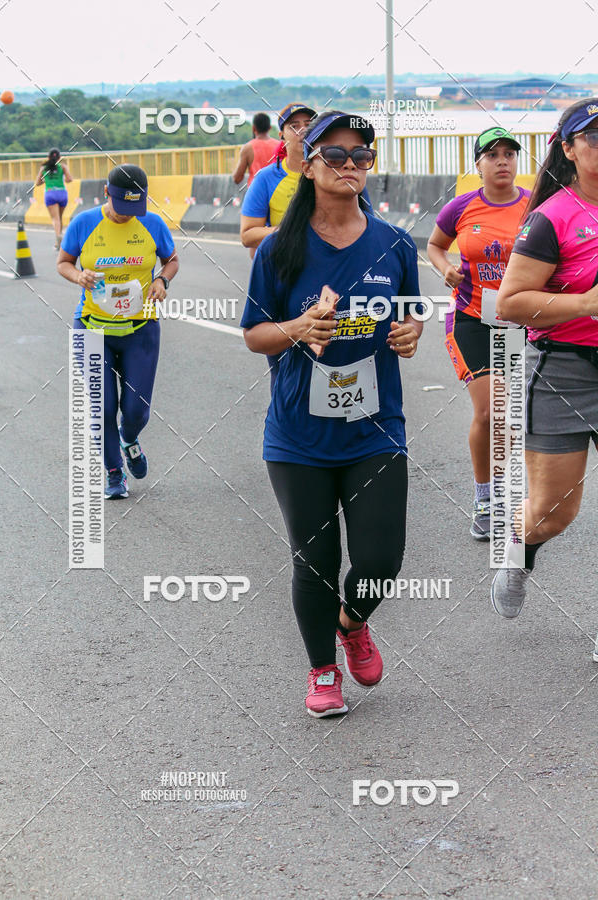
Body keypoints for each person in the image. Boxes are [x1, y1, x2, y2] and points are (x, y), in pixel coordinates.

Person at [241, 111, 423, 718]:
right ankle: (322, 670)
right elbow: (254, 335)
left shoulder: (394, 243)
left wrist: (409, 332)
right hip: (299, 435)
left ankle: (353, 622)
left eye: (361, 155)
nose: (351, 165)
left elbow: (410, 311)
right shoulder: (279, 249)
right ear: (309, 163)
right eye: (337, 154)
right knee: (315, 561)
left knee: (380, 560)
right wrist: (296, 327)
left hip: (376, 426)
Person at [489, 100, 598, 643]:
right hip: (567, 370)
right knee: (554, 512)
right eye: (595, 135)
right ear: (570, 148)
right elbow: (510, 303)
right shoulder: (552, 217)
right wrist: (586, 305)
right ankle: (518, 550)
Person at [427, 127, 530, 540]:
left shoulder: (536, 205)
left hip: (521, 322)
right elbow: (435, 245)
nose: (502, 161)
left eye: (509, 153)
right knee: (489, 411)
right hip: (472, 319)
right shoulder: (461, 207)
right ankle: (485, 499)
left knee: (514, 415)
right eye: (492, 155)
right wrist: (445, 268)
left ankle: (515, 494)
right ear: (479, 165)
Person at [57, 164, 179, 499]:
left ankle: (129, 438)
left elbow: (172, 259)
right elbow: (63, 262)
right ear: (106, 193)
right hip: (93, 328)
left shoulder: (152, 223)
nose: (127, 215)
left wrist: (161, 279)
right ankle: (114, 472)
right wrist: (77, 276)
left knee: (136, 410)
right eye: (122, 207)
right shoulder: (84, 223)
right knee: (102, 406)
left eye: (134, 208)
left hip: (141, 328)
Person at [240, 102, 316, 251]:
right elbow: (247, 236)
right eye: (294, 126)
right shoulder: (265, 178)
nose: (303, 130)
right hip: (288, 268)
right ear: (281, 136)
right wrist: (291, 231)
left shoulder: (334, 172)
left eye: (309, 125)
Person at [35, 148, 73, 250]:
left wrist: (47, 181)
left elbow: (37, 183)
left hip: (50, 193)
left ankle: (58, 237)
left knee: (55, 219)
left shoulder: (43, 168)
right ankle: (59, 241)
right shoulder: (63, 166)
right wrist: (62, 179)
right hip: (62, 193)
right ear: (59, 158)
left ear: (49, 157)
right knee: (60, 218)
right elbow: (69, 179)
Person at [232, 113, 280, 186]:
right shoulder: (279, 146)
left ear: (254, 128)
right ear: (270, 128)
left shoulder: (247, 148)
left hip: (256, 192)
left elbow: (237, 178)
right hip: (277, 190)